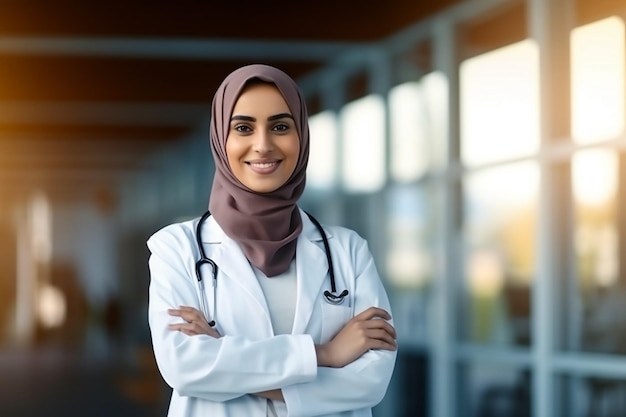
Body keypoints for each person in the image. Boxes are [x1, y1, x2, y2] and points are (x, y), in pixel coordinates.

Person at [147, 64, 397, 417]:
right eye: (243, 127)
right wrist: (324, 354)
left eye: (280, 126)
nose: (262, 145)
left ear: (302, 137)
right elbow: (184, 367)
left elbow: (369, 382)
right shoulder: (176, 248)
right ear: (220, 138)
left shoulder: (348, 251)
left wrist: (224, 357)